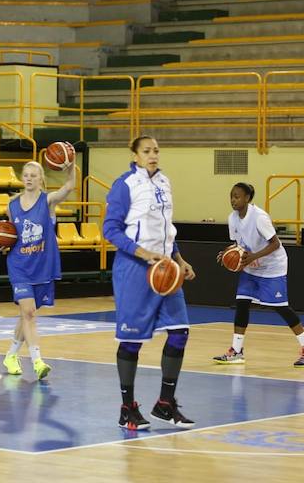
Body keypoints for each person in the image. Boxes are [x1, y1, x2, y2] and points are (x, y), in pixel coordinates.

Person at [103, 135, 196, 431]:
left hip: (166, 269)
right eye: (147, 151)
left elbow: (166, 229)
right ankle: (127, 408)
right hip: (134, 269)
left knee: (180, 332)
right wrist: (142, 252)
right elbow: (110, 229)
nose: (153, 155)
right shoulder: (125, 185)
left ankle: (165, 403)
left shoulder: (165, 182)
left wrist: (179, 258)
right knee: (132, 341)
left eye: (156, 150)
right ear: (135, 155)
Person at [213, 182, 304, 368]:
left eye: (237, 196)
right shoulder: (232, 218)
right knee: (242, 303)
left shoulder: (259, 217)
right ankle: (236, 351)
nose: (233, 200)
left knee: (280, 307)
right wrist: (229, 253)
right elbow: (240, 244)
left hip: (272, 266)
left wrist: (254, 256)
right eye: (231, 196)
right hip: (251, 266)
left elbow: (275, 244)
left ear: (247, 198)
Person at [0, 159, 75, 380]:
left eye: (34, 175)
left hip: (42, 265)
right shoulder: (12, 205)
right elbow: (10, 236)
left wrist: (71, 164)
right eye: (26, 175)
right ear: (22, 178)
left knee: (27, 314)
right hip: (19, 265)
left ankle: (11, 354)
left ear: (41, 179)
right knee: (29, 313)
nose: (29, 178)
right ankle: (37, 361)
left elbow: (69, 186)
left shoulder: (48, 201)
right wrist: (0, 243)